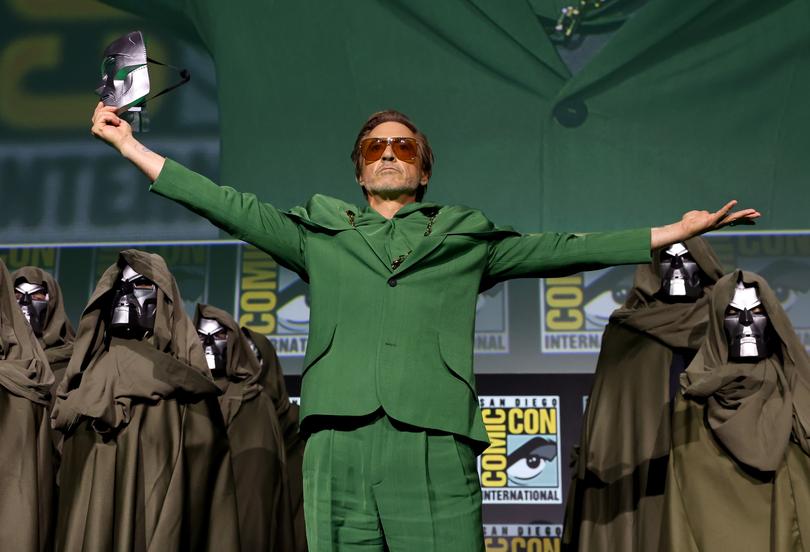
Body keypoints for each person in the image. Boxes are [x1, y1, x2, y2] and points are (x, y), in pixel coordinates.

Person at [90, 102, 759, 551]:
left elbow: (565, 247)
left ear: (422, 167)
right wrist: (130, 146)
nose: (388, 152)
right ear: (358, 167)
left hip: (435, 441)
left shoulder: (467, 240)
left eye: (402, 145)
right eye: (374, 145)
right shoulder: (319, 234)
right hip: (337, 441)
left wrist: (671, 232)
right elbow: (227, 206)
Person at [563, 237, 724, 551]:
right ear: (653, 270)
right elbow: (611, 411)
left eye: (687, 259)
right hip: (643, 465)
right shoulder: (628, 329)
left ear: (703, 266)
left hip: (710, 462)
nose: (677, 268)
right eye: (668, 259)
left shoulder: (725, 324)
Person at [661, 270, 810, 551]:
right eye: (734, 314)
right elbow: (685, 500)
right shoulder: (694, 397)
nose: (745, 323)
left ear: (772, 319)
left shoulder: (796, 388)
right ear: (718, 322)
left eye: (755, 312)